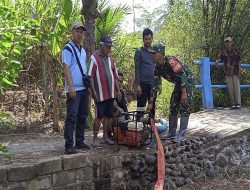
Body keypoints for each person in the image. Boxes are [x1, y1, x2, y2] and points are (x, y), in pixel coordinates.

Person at [147, 44, 195, 142]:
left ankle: (181, 135)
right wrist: (151, 102)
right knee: (173, 105)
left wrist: (184, 93)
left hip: (187, 82)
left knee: (185, 106)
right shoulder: (158, 67)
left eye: (153, 53)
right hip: (178, 84)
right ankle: (172, 133)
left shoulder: (170, 61)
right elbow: (154, 85)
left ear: (160, 54)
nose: (151, 55)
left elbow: (182, 75)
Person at [62, 22, 90, 154]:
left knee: (82, 115)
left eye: (81, 32)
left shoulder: (83, 50)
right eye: (77, 31)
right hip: (74, 89)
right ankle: (69, 145)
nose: (80, 34)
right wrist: (71, 86)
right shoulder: (68, 48)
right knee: (72, 116)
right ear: (72, 32)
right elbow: (66, 67)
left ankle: (79, 141)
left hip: (83, 88)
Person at [88, 36, 121, 147]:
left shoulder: (111, 60)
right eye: (106, 47)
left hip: (111, 93)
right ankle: (95, 138)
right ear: (101, 45)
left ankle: (105, 137)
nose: (108, 49)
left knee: (108, 115)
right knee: (98, 116)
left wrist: (118, 90)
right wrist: (94, 91)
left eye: (110, 47)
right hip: (100, 93)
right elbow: (91, 76)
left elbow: (115, 77)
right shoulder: (95, 57)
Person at [134, 28, 162, 119]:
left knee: (152, 107)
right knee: (141, 108)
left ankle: (151, 130)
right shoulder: (139, 52)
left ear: (152, 38)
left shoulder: (155, 52)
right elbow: (137, 69)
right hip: (143, 84)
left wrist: (159, 83)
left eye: (149, 39)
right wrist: (137, 85)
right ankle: (138, 129)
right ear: (143, 39)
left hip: (153, 84)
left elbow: (159, 68)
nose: (148, 41)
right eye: (146, 39)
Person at [215, 37, 241, 109]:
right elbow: (219, 58)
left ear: (231, 43)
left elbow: (239, 62)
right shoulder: (224, 53)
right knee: (230, 89)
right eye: (226, 42)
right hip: (228, 73)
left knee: (236, 88)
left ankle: (238, 103)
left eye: (229, 42)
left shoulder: (236, 51)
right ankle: (233, 103)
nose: (227, 43)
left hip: (235, 72)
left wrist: (239, 72)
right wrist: (217, 61)